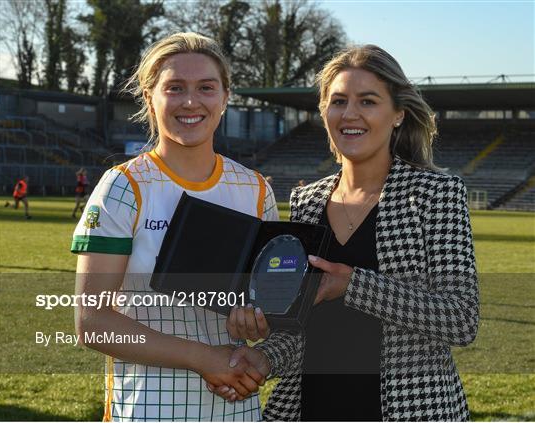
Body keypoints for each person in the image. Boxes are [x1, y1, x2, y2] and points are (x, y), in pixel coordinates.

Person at [213, 44, 479, 421]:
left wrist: (353, 285)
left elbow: (461, 319)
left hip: (410, 411)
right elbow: (301, 327)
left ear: (398, 114)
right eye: (338, 101)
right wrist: (263, 357)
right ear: (324, 112)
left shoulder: (436, 194)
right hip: (313, 408)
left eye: (368, 101)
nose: (350, 114)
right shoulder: (306, 201)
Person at [71, 32, 277, 421]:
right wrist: (204, 358)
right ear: (150, 97)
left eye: (206, 88)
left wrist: (257, 321)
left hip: (237, 408)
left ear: (225, 97)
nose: (190, 101)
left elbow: (267, 309)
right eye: (175, 88)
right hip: (147, 409)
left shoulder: (255, 189)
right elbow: (92, 322)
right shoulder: (124, 186)